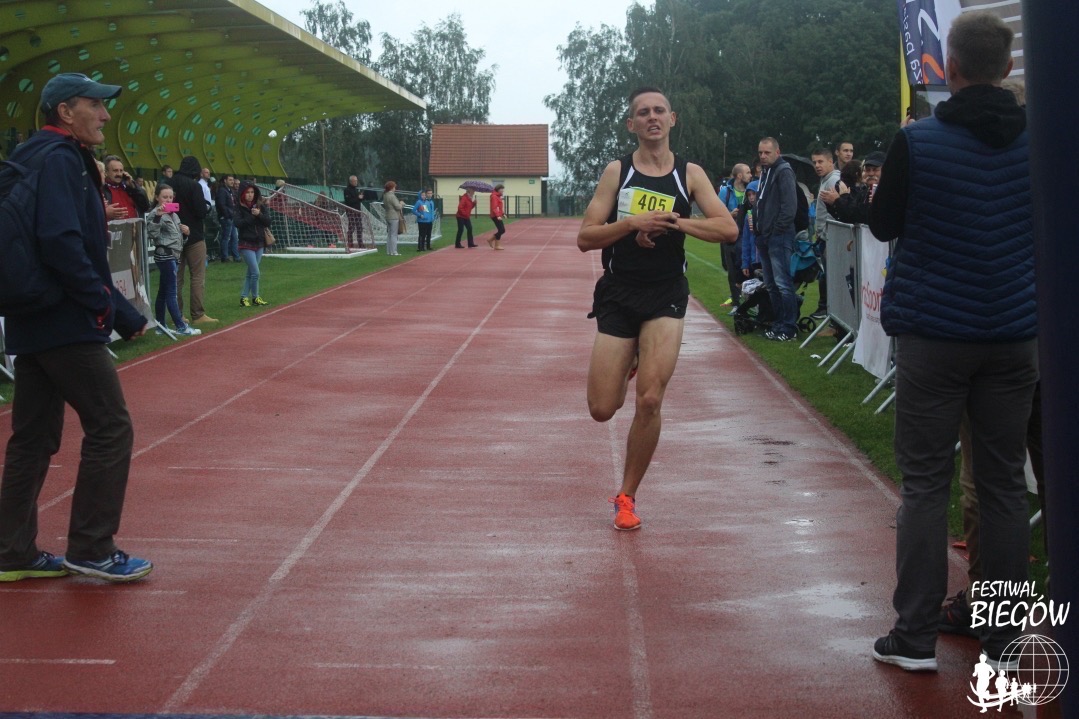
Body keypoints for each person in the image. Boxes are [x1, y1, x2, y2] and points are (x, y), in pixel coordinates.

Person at [868, 11, 1036, 673]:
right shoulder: (1039, 140)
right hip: (1012, 332)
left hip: (933, 334)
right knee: (1003, 487)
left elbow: (883, 223)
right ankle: (1003, 638)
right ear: (1007, 67)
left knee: (924, 483)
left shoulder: (918, 140)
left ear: (952, 67)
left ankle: (913, 635)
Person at [0, 72, 153, 583]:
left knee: (31, 438)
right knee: (111, 427)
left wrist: (119, 313)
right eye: (95, 105)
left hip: (29, 317)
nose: (105, 115)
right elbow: (63, 242)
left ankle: (11, 552)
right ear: (65, 112)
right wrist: (107, 309)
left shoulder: (30, 155)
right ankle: (91, 547)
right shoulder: (63, 159)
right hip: (64, 319)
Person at [577, 86, 737, 531]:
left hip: (666, 294)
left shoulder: (690, 174)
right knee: (602, 408)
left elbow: (727, 229)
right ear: (632, 124)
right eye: (643, 112)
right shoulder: (618, 172)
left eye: (659, 110)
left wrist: (673, 222)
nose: (652, 117)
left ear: (672, 119)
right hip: (619, 293)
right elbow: (586, 237)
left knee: (650, 398)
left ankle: (627, 497)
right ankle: (629, 360)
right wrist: (632, 223)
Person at [754, 137, 799, 342]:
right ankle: (778, 323)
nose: (763, 156)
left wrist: (775, 231)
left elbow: (789, 207)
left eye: (767, 152)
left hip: (778, 236)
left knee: (782, 283)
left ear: (777, 152)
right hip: (764, 235)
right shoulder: (767, 172)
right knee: (771, 284)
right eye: (760, 153)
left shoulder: (783, 171)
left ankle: (789, 327)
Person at [147, 183, 201, 337]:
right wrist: (158, 216)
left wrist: (185, 233)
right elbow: (152, 234)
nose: (168, 200)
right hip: (165, 255)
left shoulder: (174, 214)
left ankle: (160, 326)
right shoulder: (155, 213)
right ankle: (180, 326)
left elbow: (178, 239)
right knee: (171, 292)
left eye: (170, 197)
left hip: (173, 255)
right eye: (165, 197)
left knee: (164, 292)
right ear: (157, 197)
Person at [172, 155, 217, 325]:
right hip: (194, 235)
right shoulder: (194, 186)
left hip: (173, 235)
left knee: (176, 278)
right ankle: (198, 315)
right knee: (197, 276)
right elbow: (200, 212)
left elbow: (163, 207)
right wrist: (205, 207)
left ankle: (177, 315)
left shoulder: (169, 183)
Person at [809, 148, 841, 320]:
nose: (817, 165)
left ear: (830, 161)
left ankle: (827, 310)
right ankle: (826, 309)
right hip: (825, 235)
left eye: (820, 161)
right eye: (814, 162)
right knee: (825, 274)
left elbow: (835, 212)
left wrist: (826, 234)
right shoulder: (826, 179)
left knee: (828, 275)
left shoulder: (833, 180)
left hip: (831, 238)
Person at [718, 163, 752, 306]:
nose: (751, 175)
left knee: (747, 267)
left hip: (747, 235)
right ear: (739, 175)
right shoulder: (725, 192)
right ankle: (736, 302)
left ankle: (749, 301)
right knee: (732, 270)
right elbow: (716, 212)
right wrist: (729, 215)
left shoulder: (750, 191)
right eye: (748, 172)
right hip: (729, 236)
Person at [235, 182, 271, 307]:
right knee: (255, 272)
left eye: (252, 192)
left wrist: (259, 215)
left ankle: (245, 297)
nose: (250, 195)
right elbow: (238, 223)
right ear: (243, 194)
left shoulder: (260, 206)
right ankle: (255, 297)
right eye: (247, 193)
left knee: (250, 272)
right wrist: (251, 216)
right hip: (246, 243)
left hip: (259, 243)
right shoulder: (239, 207)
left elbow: (268, 221)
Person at [101, 155, 149, 222]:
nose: (119, 174)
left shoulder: (128, 188)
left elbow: (145, 206)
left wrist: (133, 186)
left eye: (121, 171)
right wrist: (105, 213)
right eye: (115, 170)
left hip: (134, 227)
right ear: (106, 172)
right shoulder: (101, 190)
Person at [215, 173, 240, 262]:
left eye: (233, 180)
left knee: (234, 237)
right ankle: (225, 257)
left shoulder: (230, 191)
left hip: (231, 217)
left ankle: (236, 256)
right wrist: (228, 215)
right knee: (226, 237)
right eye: (230, 180)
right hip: (226, 218)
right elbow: (221, 205)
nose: (232, 182)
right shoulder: (222, 191)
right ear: (225, 181)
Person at [382, 180, 405, 256]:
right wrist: (402, 204)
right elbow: (397, 207)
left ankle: (389, 251)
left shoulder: (385, 195)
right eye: (394, 187)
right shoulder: (392, 196)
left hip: (388, 216)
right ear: (391, 187)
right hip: (394, 216)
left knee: (389, 234)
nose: (395, 188)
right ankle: (394, 251)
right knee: (394, 235)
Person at [343, 175, 364, 248]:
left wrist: (361, 198)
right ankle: (350, 243)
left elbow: (358, 200)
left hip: (358, 211)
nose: (356, 182)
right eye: (355, 181)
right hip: (351, 211)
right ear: (351, 181)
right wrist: (358, 198)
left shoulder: (356, 189)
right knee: (351, 228)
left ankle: (360, 243)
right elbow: (349, 201)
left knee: (359, 227)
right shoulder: (347, 190)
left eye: (356, 181)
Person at [489, 183, 507, 250]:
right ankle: (491, 240)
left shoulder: (498, 196)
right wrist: (497, 216)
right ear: (498, 189)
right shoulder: (494, 196)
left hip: (498, 215)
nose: (503, 190)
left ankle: (496, 245)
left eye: (503, 189)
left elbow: (499, 207)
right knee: (502, 230)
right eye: (502, 189)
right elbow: (494, 207)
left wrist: (503, 214)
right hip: (495, 215)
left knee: (501, 230)